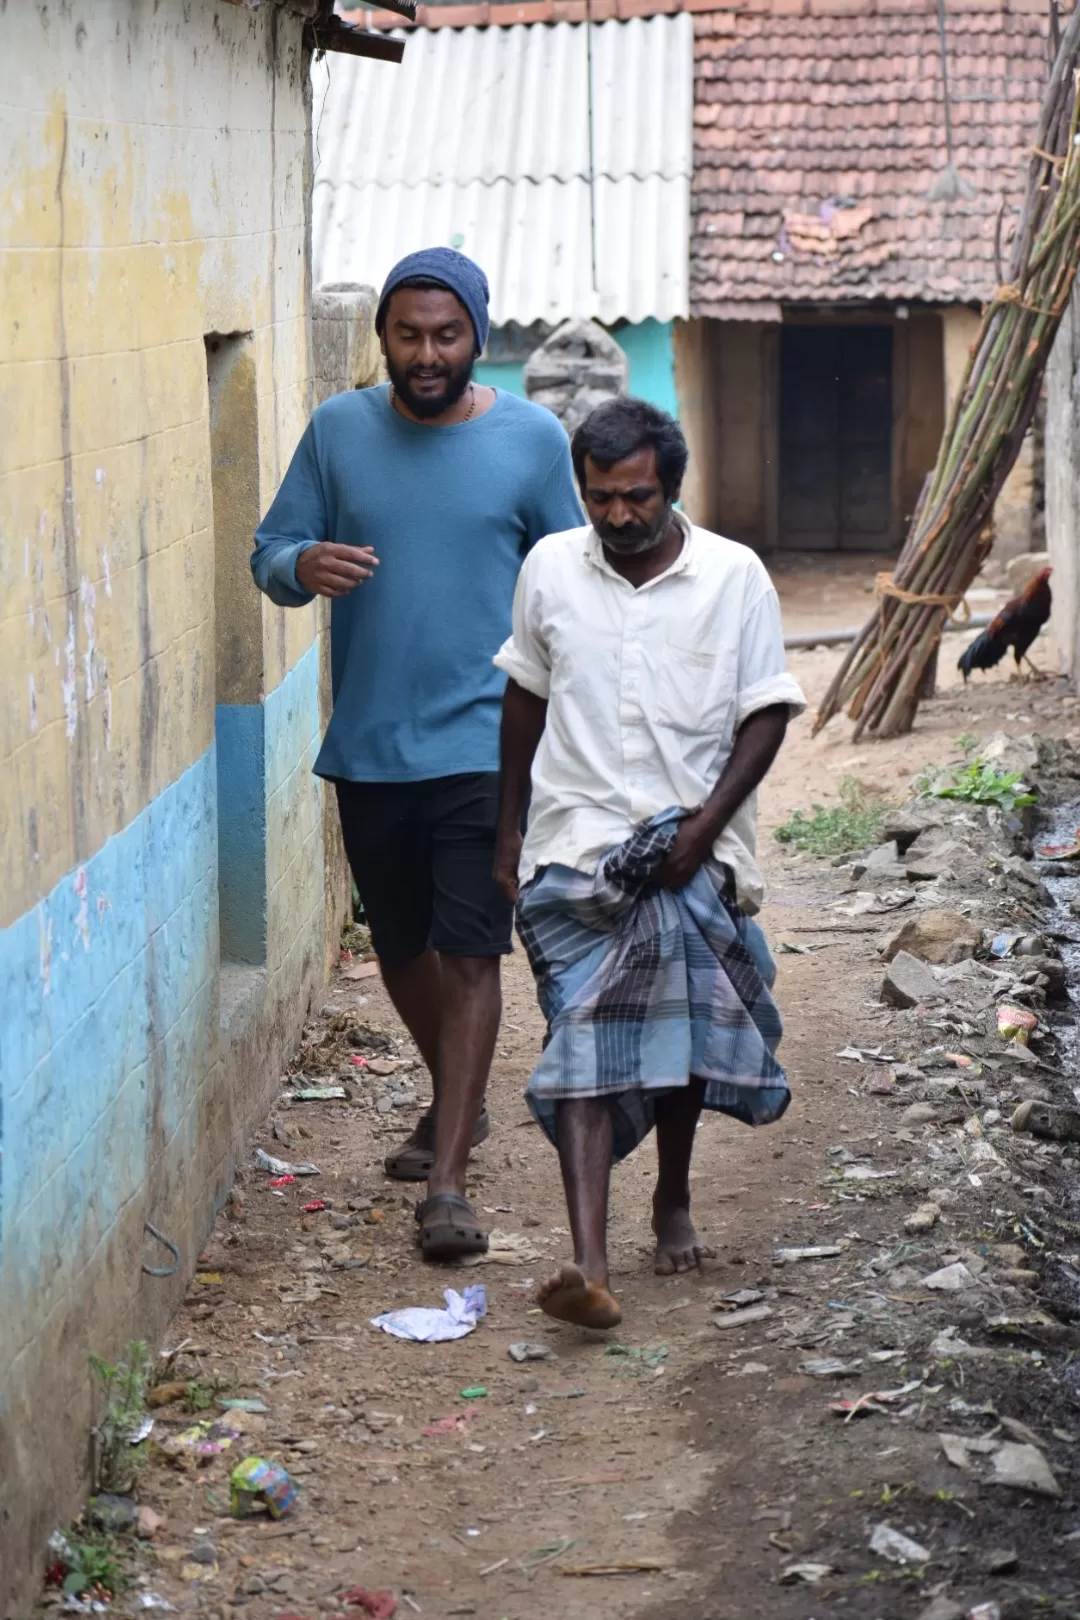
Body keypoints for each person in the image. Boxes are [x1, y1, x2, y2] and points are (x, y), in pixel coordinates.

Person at [251, 247, 582, 1260]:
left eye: (446, 335)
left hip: (490, 746)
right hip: (371, 745)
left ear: (478, 334)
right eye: (409, 335)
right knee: (400, 945)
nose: (427, 353)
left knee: (474, 948)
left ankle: (447, 1184)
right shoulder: (340, 432)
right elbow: (269, 555)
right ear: (384, 339)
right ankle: (459, 1100)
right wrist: (303, 562)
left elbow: (571, 580)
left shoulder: (531, 441)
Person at [492, 398, 806, 1329]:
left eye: (637, 497)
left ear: (672, 487)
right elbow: (525, 701)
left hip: (693, 849)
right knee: (582, 1038)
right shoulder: (550, 566)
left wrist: (703, 831)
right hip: (573, 846)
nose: (619, 517)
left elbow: (768, 712)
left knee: (678, 1046)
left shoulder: (734, 578)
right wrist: (507, 831)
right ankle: (588, 1264)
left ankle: (672, 1194)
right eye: (601, 499)